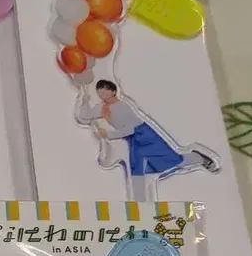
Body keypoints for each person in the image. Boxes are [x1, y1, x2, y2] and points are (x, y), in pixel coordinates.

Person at [76, 80, 219, 202]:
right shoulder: (102, 108)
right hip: (133, 140)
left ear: (113, 91)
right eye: (99, 91)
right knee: (137, 168)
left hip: (144, 135)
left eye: (105, 90)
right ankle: (140, 202)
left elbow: (130, 128)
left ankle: (198, 157)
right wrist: (83, 100)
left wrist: (109, 134)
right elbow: (85, 116)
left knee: (171, 159)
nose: (102, 93)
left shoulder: (123, 107)